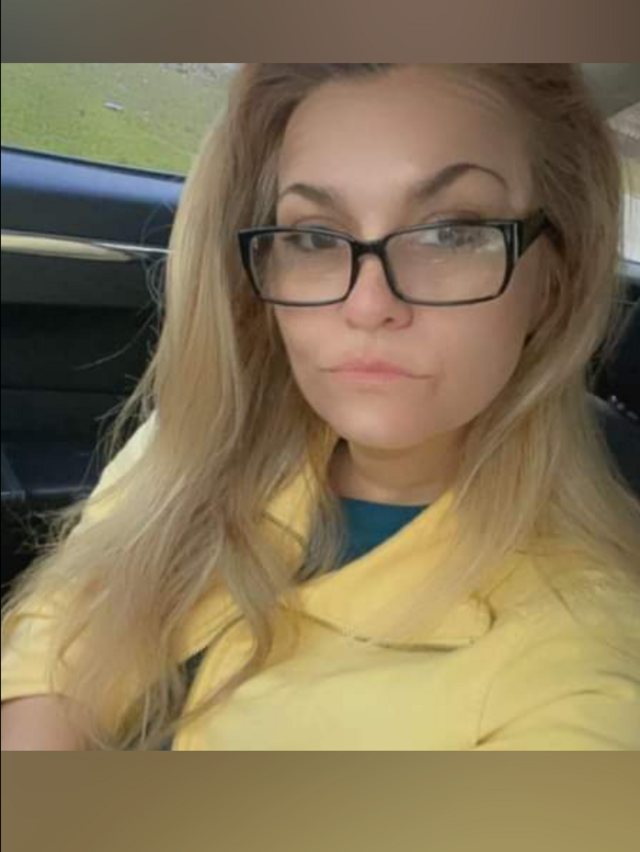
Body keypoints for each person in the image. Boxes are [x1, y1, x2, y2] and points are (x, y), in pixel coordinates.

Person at [2, 64, 639, 751]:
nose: (368, 304)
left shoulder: (581, 661)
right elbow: (68, 620)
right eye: (312, 236)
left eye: (451, 233)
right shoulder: (196, 439)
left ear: (554, 280)